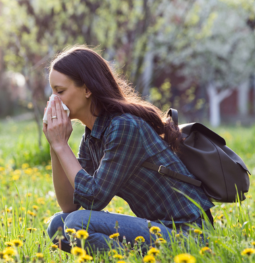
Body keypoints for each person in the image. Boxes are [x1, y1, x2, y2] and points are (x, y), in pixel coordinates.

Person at [42, 45, 214, 255]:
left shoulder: (123, 126)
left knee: (77, 223)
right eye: (52, 92)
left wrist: (61, 146)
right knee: (58, 226)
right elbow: (69, 204)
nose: (53, 101)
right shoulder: (92, 137)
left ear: (87, 89)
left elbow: (93, 199)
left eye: (60, 92)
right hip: (158, 230)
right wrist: (56, 146)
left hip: (189, 236)